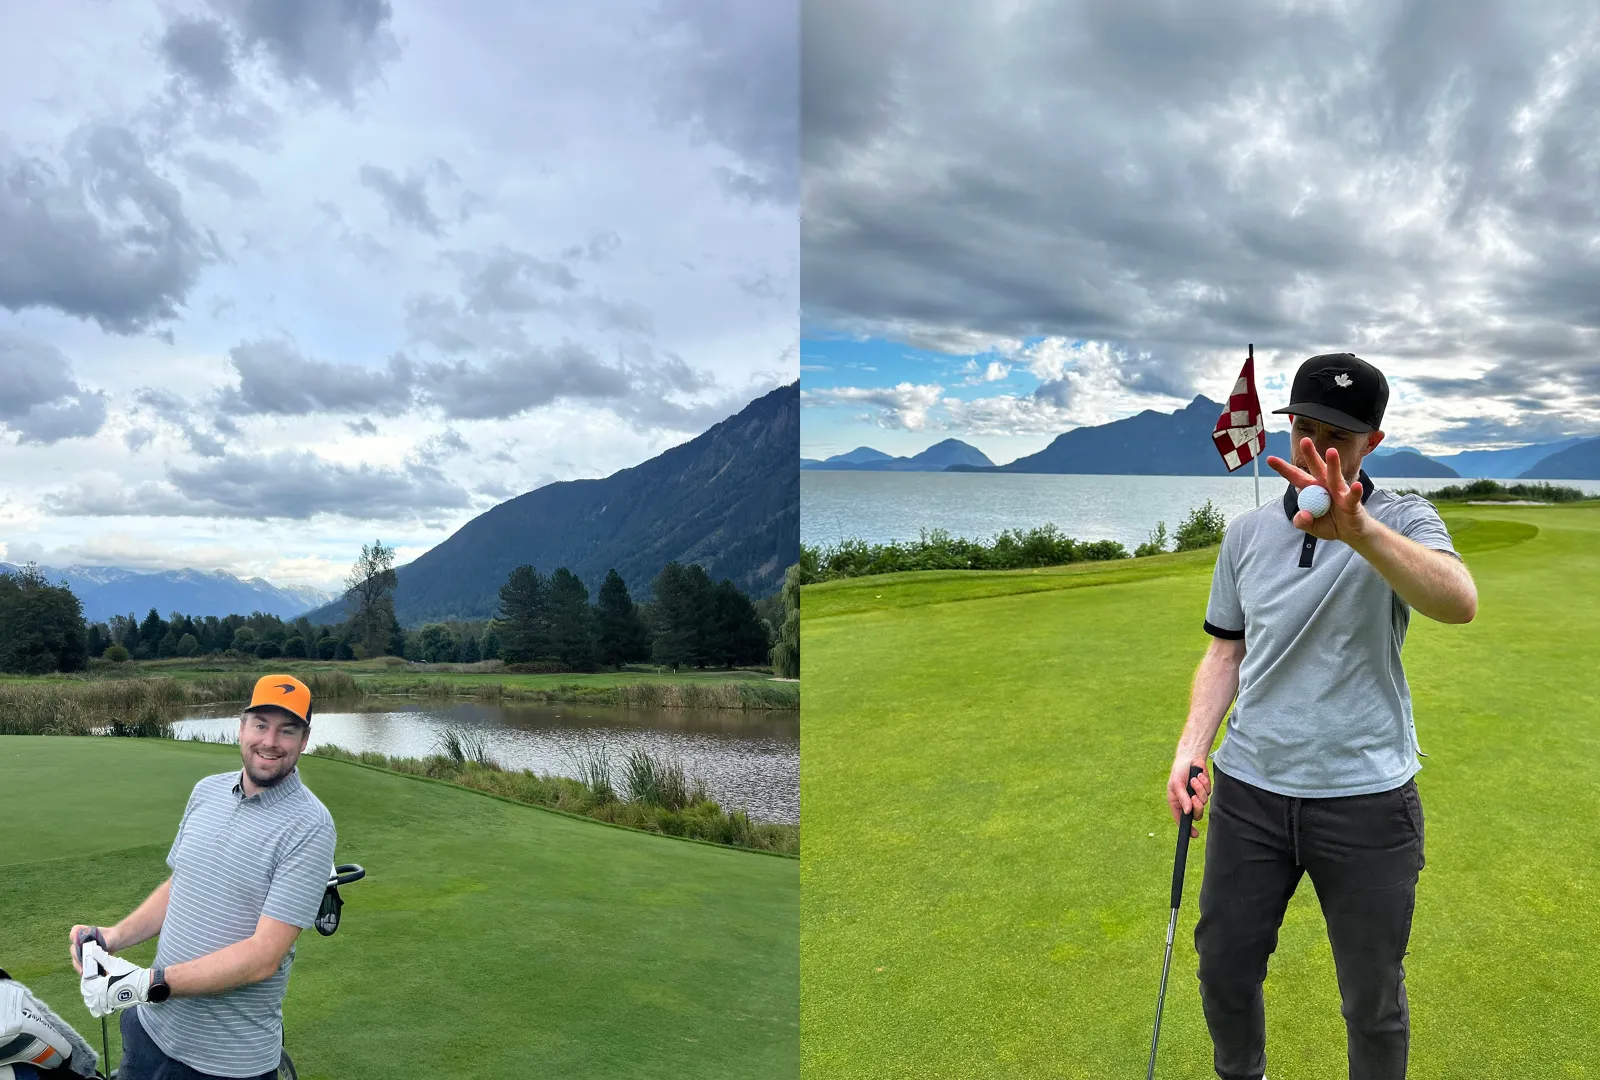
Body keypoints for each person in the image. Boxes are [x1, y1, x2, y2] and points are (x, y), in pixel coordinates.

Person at [1165, 353, 1478, 1080]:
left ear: (1373, 441)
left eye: (1338, 435)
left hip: (1367, 798)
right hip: (1250, 792)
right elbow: (1226, 650)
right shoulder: (1246, 534)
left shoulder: (1402, 519)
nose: (1317, 448)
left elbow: (1457, 601)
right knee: (1223, 969)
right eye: (1305, 428)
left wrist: (1359, 531)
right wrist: (1192, 747)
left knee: (1372, 999)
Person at [70, 675, 336, 1080]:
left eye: (287, 730)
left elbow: (264, 957)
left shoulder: (311, 826)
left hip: (226, 1061)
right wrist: (113, 937)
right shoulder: (206, 791)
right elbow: (180, 886)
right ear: (241, 727)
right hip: (149, 1031)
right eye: (261, 724)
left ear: (304, 740)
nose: (270, 741)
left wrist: (148, 983)